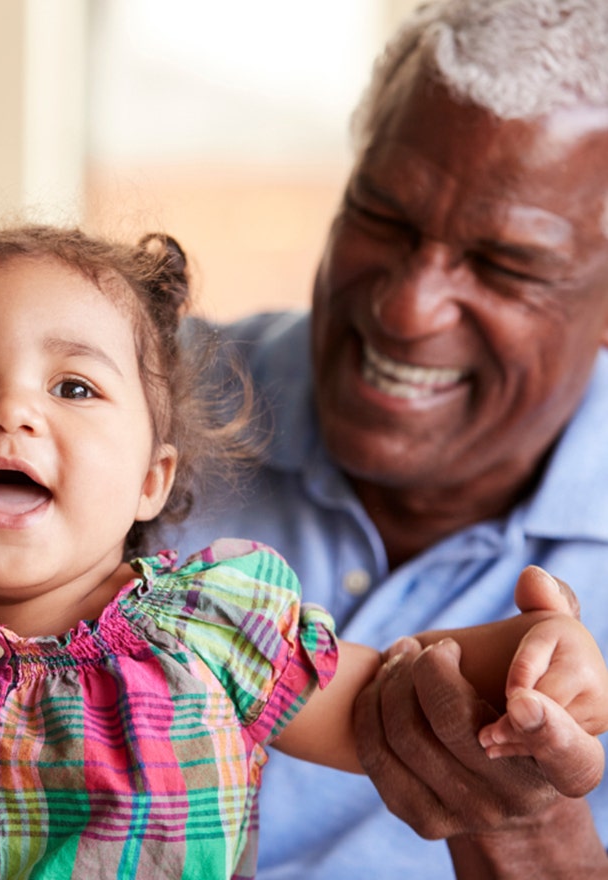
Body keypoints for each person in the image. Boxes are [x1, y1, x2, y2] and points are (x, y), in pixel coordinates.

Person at [0, 224, 602, 879]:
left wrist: (526, 656)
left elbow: (385, 697)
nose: (11, 412)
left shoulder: (210, 635)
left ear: (152, 482)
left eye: (74, 388)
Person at [160, 0, 608, 877]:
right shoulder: (111, 402)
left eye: (506, 264)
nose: (406, 308)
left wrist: (532, 836)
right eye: (382, 217)